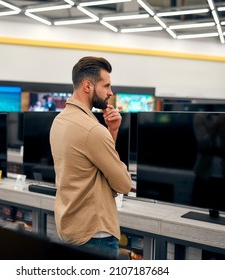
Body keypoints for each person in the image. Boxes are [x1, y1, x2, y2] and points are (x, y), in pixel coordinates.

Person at [49, 56, 132, 258]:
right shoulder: (93, 130)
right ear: (88, 86)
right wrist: (106, 133)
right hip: (95, 235)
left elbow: (92, 166)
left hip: (70, 227)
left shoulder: (59, 121)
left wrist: (111, 131)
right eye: (106, 85)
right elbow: (124, 185)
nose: (110, 93)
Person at [192, 112, 225, 217]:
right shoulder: (200, 117)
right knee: (198, 213)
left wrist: (211, 149)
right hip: (203, 176)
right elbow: (203, 144)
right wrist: (218, 124)